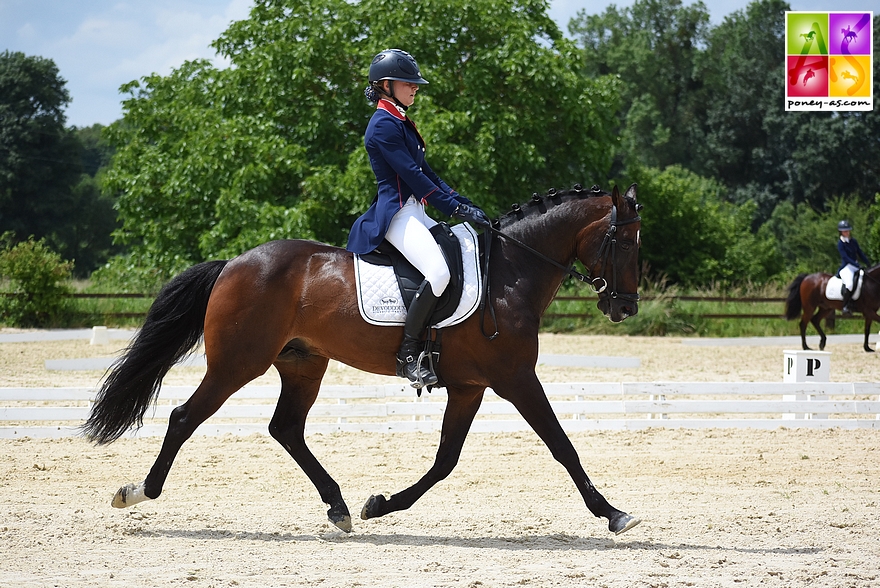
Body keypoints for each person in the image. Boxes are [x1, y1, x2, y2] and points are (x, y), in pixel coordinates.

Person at [347, 49, 491, 389]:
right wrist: (453, 209)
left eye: (415, 84)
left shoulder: (400, 121)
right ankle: (408, 354)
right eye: (408, 83)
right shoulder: (383, 125)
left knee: (460, 255)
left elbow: (430, 174)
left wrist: (464, 202)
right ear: (385, 85)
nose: (415, 89)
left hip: (416, 211)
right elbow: (412, 176)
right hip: (396, 213)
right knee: (439, 273)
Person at [836, 220, 871, 315]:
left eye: (848, 230)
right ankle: (845, 306)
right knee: (850, 284)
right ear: (841, 232)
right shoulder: (840, 243)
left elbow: (860, 253)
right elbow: (845, 258)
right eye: (845, 231)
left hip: (855, 266)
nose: (847, 232)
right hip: (847, 267)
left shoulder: (853, 241)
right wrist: (857, 265)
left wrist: (868, 263)